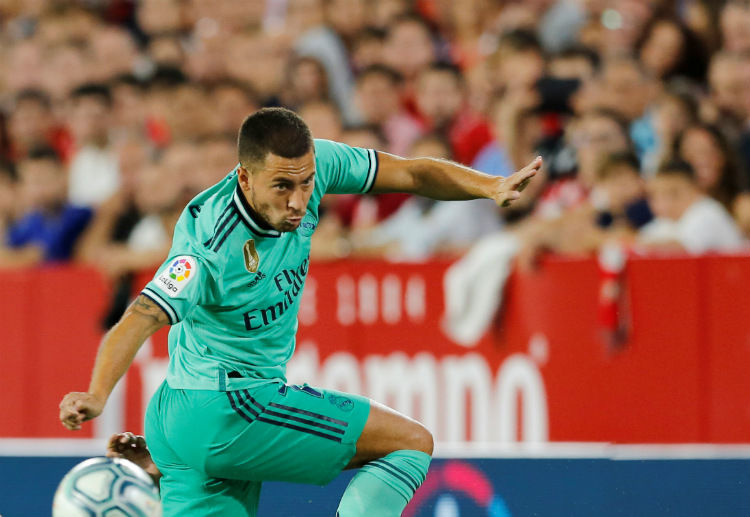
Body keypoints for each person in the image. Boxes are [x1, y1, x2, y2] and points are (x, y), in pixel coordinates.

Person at [59, 107, 540, 517]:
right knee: (408, 443)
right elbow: (143, 315)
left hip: (179, 423)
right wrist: (97, 394)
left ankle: (174, 459)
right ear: (244, 178)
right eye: (282, 187)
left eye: (306, 183)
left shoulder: (315, 163)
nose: (298, 201)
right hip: (229, 409)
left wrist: (489, 185)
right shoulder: (209, 246)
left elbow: (411, 173)